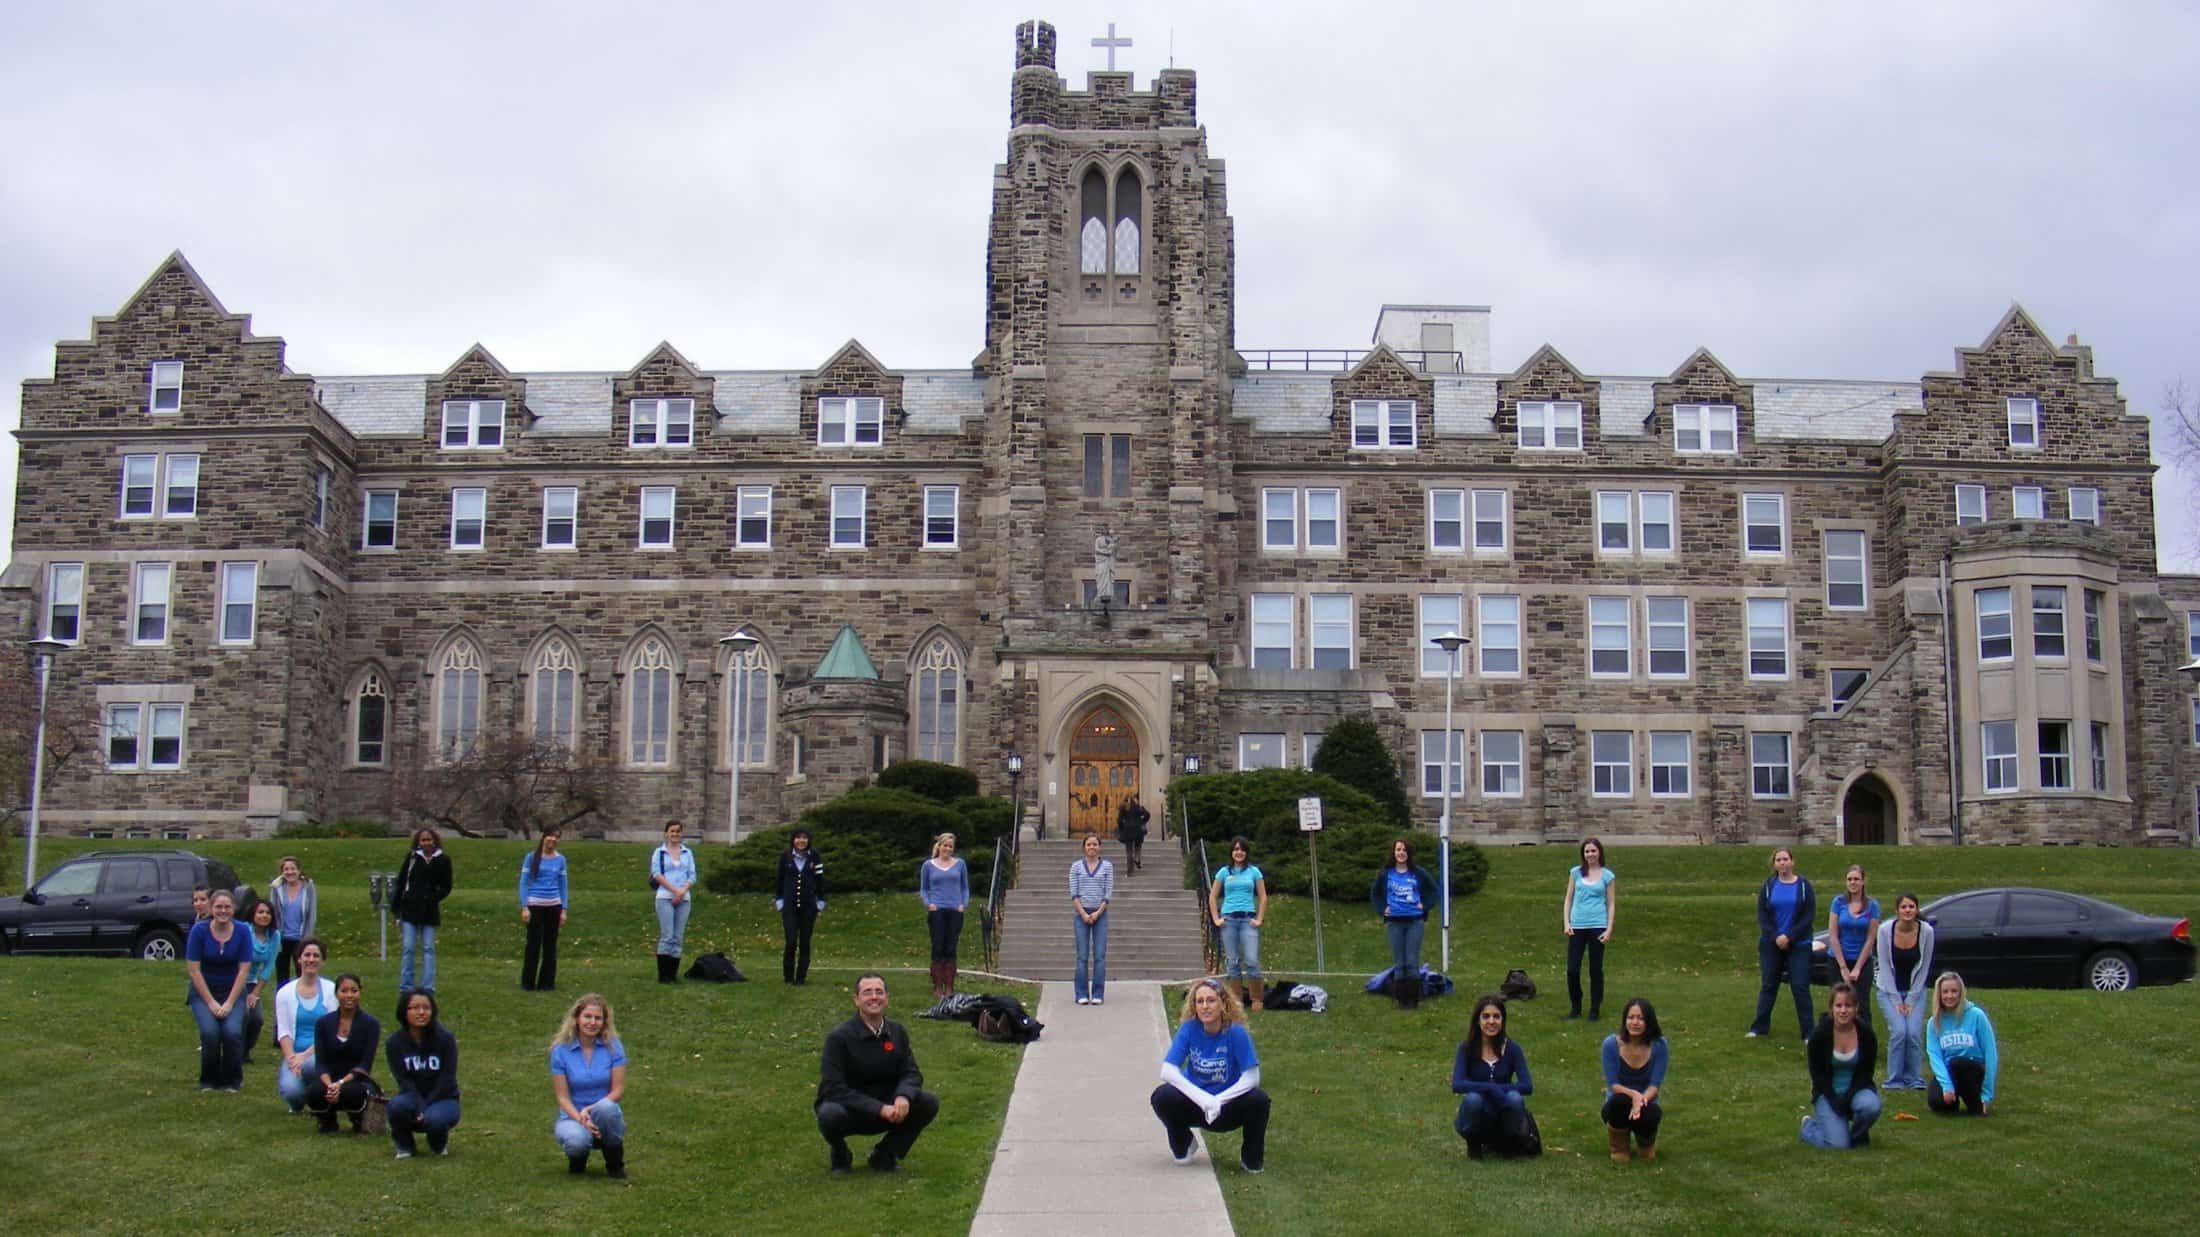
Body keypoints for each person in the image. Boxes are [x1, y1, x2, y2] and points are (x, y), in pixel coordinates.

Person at [815, 973, 940, 1174]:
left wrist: (903, 1096)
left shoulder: (897, 1032)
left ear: (886, 998)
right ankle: (840, 1153)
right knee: (829, 1115)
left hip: (890, 1108)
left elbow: (911, 1073)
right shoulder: (838, 1038)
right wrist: (879, 1108)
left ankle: (885, 1155)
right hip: (851, 1110)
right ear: (856, 1000)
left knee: (928, 1102)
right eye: (867, 992)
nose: (874, 997)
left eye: (879, 992)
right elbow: (833, 1088)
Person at [1150, 977, 1270, 1173]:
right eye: (1200, 1001)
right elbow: (1168, 1070)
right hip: (1196, 1106)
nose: (1205, 1006)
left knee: (1259, 1100)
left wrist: (1219, 1100)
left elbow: (1252, 1076)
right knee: (1162, 1097)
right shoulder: (1189, 1029)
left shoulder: (1235, 1033)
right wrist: (1204, 1100)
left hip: (1227, 1108)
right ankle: (1184, 1144)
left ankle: (1251, 1160)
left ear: (1223, 1003)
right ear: (1194, 1006)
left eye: (1211, 1000)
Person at [551, 993, 628, 1177]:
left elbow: (618, 1090)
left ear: (604, 1022)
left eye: (598, 1018)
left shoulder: (614, 1047)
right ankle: (577, 1163)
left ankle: (615, 1165)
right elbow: (562, 1097)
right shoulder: (560, 1051)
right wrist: (581, 1118)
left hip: (604, 1114)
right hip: (572, 1116)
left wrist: (591, 1109)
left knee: (606, 1108)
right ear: (576, 1019)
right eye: (587, 1016)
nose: (592, 1022)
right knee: (576, 1140)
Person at [184, 889, 254, 1091]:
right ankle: (208, 1080)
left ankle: (232, 1080)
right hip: (203, 990)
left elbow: (244, 970)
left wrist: (230, 1003)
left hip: (233, 990)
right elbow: (193, 970)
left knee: (232, 1033)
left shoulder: (242, 931)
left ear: (234, 909)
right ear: (211, 908)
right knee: (210, 1033)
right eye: (218, 907)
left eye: (227, 907)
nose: (223, 911)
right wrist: (211, 1002)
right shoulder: (199, 931)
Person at [1451, 994, 1535, 1160]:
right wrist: (1490, 1087)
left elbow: (1527, 1085)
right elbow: (1457, 1084)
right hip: (1478, 1113)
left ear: (1503, 1021)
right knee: (1473, 1099)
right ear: (1478, 1020)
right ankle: (1474, 1144)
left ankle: (1510, 1144)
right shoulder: (1466, 1048)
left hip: (1503, 1109)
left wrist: (1500, 1090)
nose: (1491, 1022)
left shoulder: (1512, 1049)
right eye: (1486, 1016)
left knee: (1514, 1098)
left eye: (1496, 1016)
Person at [1801, 982, 1881, 1150]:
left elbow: (1866, 1074)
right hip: (1827, 1093)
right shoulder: (1819, 1035)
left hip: (1857, 1090)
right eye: (1838, 1006)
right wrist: (1834, 1100)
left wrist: (1847, 1098)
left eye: (1848, 1006)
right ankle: (1808, 1127)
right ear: (1831, 1008)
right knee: (1837, 1145)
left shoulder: (1866, 1034)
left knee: (1872, 1106)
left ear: (1856, 1008)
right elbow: (1818, 1076)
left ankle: (1857, 1135)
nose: (1843, 1011)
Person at [1748, 847, 1815, 1040]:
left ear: (1792, 862)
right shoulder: (1768, 886)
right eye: (1779, 860)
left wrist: (1790, 936)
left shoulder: (1804, 886)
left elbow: (1808, 916)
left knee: (1800, 986)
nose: (1783, 863)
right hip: (1771, 943)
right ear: (1774, 864)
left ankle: (1809, 1032)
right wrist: (1775, 936)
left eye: (1786, 859)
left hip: (1798, 943)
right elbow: (1763, 915)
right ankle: (1759, 1027)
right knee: (1769, 985)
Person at [385, 990, 461, 1159]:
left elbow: (446, 1079)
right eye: (415, 1008)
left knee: (435, 1119)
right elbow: (403, 1080)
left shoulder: (445, 1039)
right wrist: (419, 1106)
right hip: (411, 1096)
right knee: (396, 1106)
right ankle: (404, 1147)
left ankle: (438, 1145)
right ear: (404, 1012)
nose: (421, 1012)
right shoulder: (394, 1043)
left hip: (443, 1098)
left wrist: (427, 1108)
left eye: (426, 1008)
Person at [1874, 892, 1935, 1090]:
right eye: (1904, 907)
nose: (1908, 910)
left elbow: (1924, 966)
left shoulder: (1926, 932)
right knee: (1900, 1031)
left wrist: (1910, 1000)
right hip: (1888, 990)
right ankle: (1894, 1080)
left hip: (1914, 991)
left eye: (1911, 907)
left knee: (1913, 1033)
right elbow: (1883, 964)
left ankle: (1913, 1078)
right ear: (1897, 910)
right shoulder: (1884, 931)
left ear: (1917, 910)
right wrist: (1896, 1001)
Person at [1369, 838, 1439, 1010]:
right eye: (1398, 849)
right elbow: (1375, 893)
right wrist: (1382, 909)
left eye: (1404, 850)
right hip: (1394, 923)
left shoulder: (1418, 873)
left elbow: (1434, 890)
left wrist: (1425, 905)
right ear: (1393, 853)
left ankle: (1413, 1001)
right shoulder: (1386, 874)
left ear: (1409, 853)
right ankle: (1401, 1001)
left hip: (1415, 921)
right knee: (1399, 963)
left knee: (1411, 962)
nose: (1401, 853)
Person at [307, 974, 380, 1134]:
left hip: (356, 1080)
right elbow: (320, 1063)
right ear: (336, 993)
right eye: (344, 991)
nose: (349, 995)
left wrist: (340, 1084)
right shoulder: (323, 1023)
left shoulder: (371, 1024)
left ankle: (358, 1119)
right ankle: (327, 1119)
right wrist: (330, 1085)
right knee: (314, 1091)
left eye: (354, 991)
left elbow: (365, 1065)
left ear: (360, 993)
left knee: (351, 1092)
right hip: (329, 1079)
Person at [274, 937, 337, 1113]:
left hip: (321, 1053)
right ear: (299, 959)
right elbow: (283, 1031)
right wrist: (292, 1059)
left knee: (310, 1065)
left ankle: (320, 1091)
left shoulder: (331, 990)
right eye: (307, 955)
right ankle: (302, 1096)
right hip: (294, 1055)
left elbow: (330, 1032)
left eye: (316, 956)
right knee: (292, 1093)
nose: (311, 959)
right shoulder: (285, 992)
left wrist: (304, 1057)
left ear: (322, 961)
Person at [1601, 997, 1667, 1163]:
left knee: (1653, 1113)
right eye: (1631, 1018)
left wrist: (1641, 1100)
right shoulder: (1611, 1044)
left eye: (1641, 1018)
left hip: (1647, 1100)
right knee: (1619, 1102)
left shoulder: (1659, 1045)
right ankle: (1619, 1147)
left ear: (1649, 1022)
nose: (1635, 1022)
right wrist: (1634, 1095)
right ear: (1625, 1020)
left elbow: (1655, 1085)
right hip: (1619, 1099)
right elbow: (1613, 1085)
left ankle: (1645, 1144)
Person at [1925, 972, 1997, 1117]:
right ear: (1939, 995)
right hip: (1950, 1071)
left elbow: (1991, 1054)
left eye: (1954, 991)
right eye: (1945, 992)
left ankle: (1976, 1106)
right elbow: (1935, 1056)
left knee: (1958, 1063)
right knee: (1936, 1102)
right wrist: (1947, 1087)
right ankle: (1953, 1101)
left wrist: (1987, 1094)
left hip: (1973, 1070)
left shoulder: (1976, 1015)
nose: (1949, 996)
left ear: (1961, 993)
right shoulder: (1934, 1022)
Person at [392, 828, 453, 999]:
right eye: (423, 840)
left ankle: (428, 986)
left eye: (429, 840)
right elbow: (401, 882)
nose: (426, 843)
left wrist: (432, 897)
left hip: (429, 911)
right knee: (409, 947)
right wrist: (396, 909)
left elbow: (446, 886)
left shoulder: (443, 860)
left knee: (428, 948)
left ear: (434, 841)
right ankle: (406, 986)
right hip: (409, 909)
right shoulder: (412, 858)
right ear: (418, 842)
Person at [1561, 837, 1616, 1021]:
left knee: (1595, 969)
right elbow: (1568, 899)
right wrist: (1566, 923)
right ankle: (1576, 1006)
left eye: (1593, 851)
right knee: (1572, 970)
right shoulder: (1575, 873)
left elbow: (1611, 903)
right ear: (1583, 854)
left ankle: (1594, 1009)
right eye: (1587, 851)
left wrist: (1608, 930)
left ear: (1599, 852)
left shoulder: (1607, 876)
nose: (1590, 854)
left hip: (1598, 926)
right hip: (1577, 926)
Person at [1210, 837, 1267, 1011]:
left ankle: (1256, 998)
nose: (1239, 852)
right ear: (1231, 852)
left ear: (1246, 852)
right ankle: (1237, 1001)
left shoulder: (1254, 872)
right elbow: (1212, 896)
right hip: (1229, 921)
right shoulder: (1224, 872)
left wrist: (1259, 918)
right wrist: (1216, 918)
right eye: (1235, 849)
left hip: (1247, 920)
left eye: (1242, 849)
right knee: (1232, 961)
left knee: (1251, 960)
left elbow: (1263, 897)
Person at [1826, 864, 1880, 1030]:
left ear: (1863, 882)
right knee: (1839, 1003)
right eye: (1849, 879)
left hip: (1862, 961)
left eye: (1856, 879)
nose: (1853, 882)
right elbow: (1833, 935)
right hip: (1838, 960)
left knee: (1861, 1005)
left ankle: (1864, 1043)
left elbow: (1871, 938)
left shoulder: (1872, 906)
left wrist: (1857, 968)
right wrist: (1843, 968)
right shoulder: (1838, 903)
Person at [519, 827, 569, 992]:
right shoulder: (531, 857)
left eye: (557, 837)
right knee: (533, 945)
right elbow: (524, 882)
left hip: (553, 906)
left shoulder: (560, 859)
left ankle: (546, 983)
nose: (553, 840)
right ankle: (528, 983)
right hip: (535, 906)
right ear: (543, 837)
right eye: (550, 836)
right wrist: (524, 906)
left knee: (550, 946)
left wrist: (563, 909)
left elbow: (563, 886)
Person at [919, 832, 969, 998]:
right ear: (939, 846)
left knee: (951, 947)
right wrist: (929, 904)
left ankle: (949, 986)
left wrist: (963, 904)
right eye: (945, 845)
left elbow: (964, 887)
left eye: (950, 846)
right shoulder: (928, 865)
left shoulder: (960, 864)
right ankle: (937, 986)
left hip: (955, 910)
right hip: (937, 910)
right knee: (938, 946)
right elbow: (924, 888)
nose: (947, 849)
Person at [650, 820, 698, 984]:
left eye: (678, 831)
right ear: (666, 833)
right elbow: (656, 874)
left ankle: (672, 974)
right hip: (665, 896)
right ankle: (663, 975)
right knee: (667, 936)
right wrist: (673, 890)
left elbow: (692, 875)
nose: (675, 834)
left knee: (678, 937)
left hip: (684, 898)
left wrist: (682, 890)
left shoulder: (687, 853)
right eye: (672, 831)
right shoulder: (659, 853)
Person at [776, 829, 826, 985]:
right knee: (791, 941)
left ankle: (800, 977)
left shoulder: (815, 856)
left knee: (805, 941)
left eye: (804, 838)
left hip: (809, 906)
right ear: (793, 840)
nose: (801, 841)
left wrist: (820, 901)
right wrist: (779, 900)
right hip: (790, 906)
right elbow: (779, 879)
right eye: (798, 838)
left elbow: (820, 879)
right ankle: (788, 977)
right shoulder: (785, 856)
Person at [1069, 832, 1114, 1006]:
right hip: (1081, 914)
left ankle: (1097, 993)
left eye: (1095, 844)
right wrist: (1083, 914)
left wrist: (1097, 913)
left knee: (1100, 956)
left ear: (1099, 847)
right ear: (1084, 847)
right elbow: (1074, 893)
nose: (1092, 847)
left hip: (1100, 914)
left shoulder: (1107, 867)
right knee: (1082, 956)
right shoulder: (1076, 867)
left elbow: (1108, 893)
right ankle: (1081, 993)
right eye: (1089, 844)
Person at [241, 896, 281, 1064]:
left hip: (251, 982)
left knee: (256, 1018)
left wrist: (254, 994)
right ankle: (232, 1049)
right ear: (253, 914)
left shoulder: (274, 936)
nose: (264, 915)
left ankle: (245, 1051)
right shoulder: (243, 930)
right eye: (260, 912)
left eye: (268, 913)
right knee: (241, 1015)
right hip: (233, 980)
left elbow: (268, 967)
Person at [267, 857, 317, 985]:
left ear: (299, 871)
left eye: (293, 869)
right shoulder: (277, 888)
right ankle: (282, 1001)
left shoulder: (308, 887)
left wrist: (308, 938)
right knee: (282, 976)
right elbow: (273, 912)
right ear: (282, 872)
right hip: (282, 939)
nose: (290, 872)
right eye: (286, 869)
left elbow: (311, 913)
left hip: (300, 938)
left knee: (302, 973)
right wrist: (274, 935)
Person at [1116, 796, 1151, 872]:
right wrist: (1142, 821)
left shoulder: (1123, 808)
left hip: (1127, 830)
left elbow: (1119, 820)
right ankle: (1137, 858)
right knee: (1138, 846)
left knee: (1129, 851)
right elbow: (1147, 815)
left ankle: (1130, 870)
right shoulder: (1138, 807)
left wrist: (1122, 828)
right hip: (1138, 830)